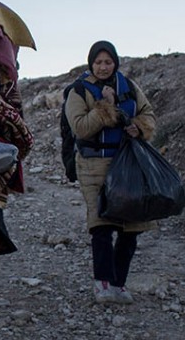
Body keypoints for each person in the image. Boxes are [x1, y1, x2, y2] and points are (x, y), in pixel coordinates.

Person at [64, 40, 157, 305]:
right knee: (102, 226)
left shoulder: (129, 86)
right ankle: (102, 283)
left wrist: (139, 127)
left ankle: (118, 282)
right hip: (94, 165)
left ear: (115, 62)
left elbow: (148, 114)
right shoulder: (79, 91)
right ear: (90, 63)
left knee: (131, 226)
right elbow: (80, 128)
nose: (103, 67)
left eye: (108, 62)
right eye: (98, 62)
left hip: (128, 163)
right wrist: (105, 107)